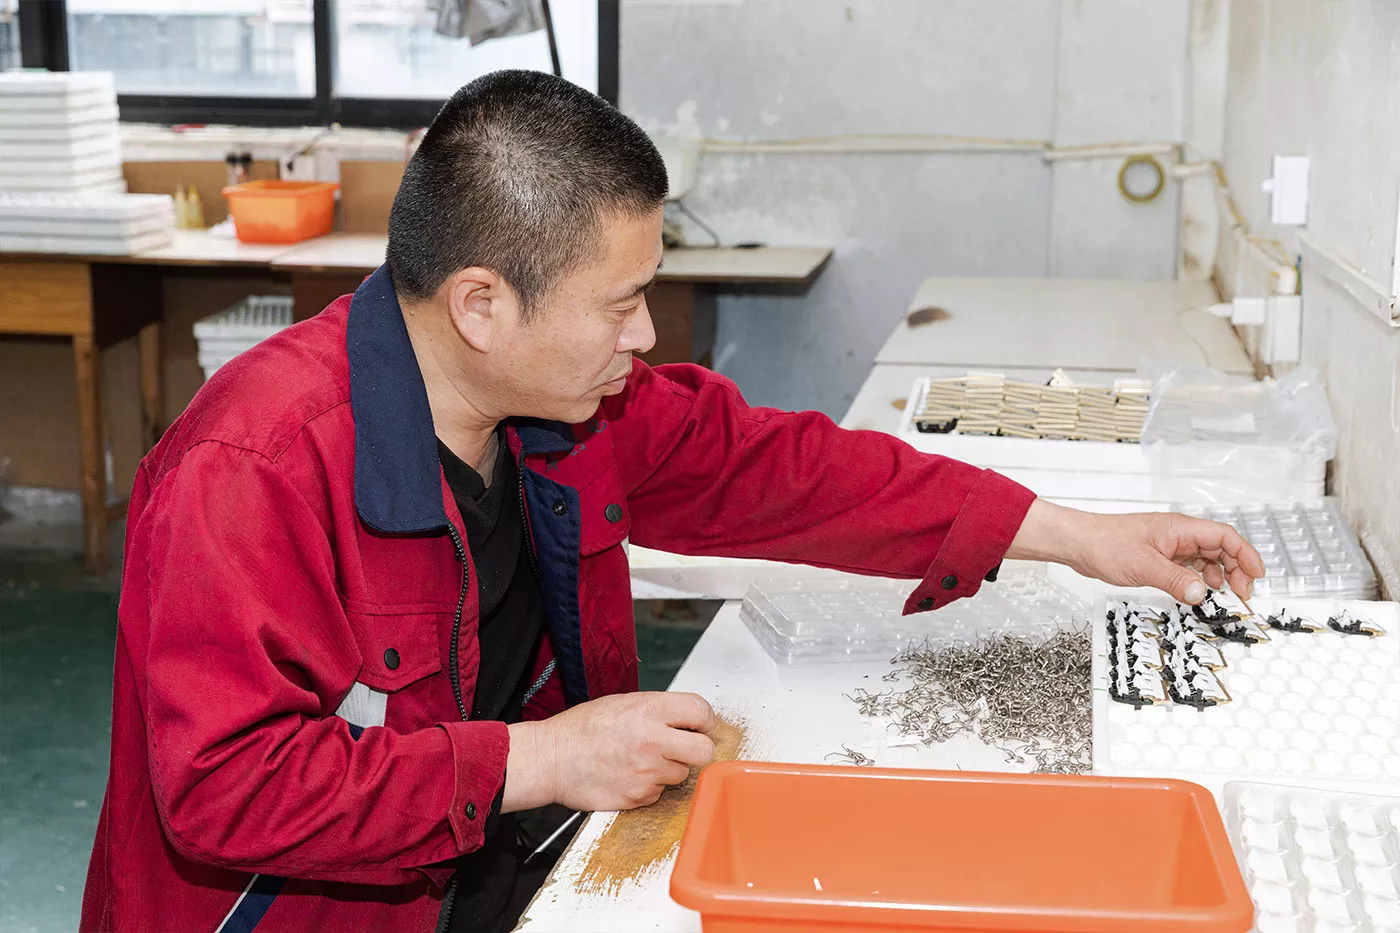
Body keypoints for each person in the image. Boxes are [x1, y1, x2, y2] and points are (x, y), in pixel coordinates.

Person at [81, 70, 1263, 933]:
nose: (644, 336)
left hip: (483, 864)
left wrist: (1075, 536)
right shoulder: (251, 470)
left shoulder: (565, 404)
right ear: (481, 305)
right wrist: (536, 760)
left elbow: (785, 471)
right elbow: (225, 791)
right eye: (620, 303)